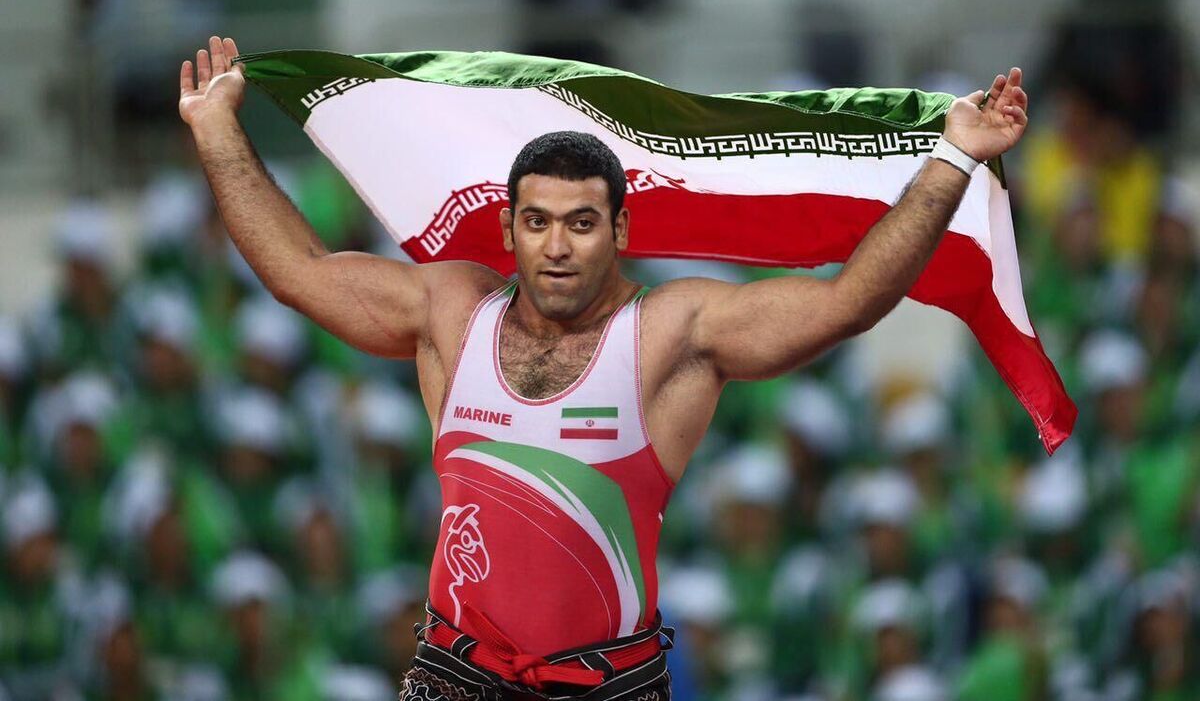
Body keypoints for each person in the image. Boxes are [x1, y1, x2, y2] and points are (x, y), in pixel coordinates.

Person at [178, 35, 1030, 701]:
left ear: (620, 230)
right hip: (458, 675)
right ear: (507, 228)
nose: (557, 246)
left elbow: (847, 301)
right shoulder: (451, 315)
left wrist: (953, 157)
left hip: (605, 683)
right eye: (537, 222)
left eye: (581, 223)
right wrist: (217, 132)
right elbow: (300, 273)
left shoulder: (669, 334)